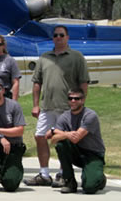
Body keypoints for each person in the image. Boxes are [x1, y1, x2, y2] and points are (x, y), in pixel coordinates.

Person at [25, 25, 90, 186]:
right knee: (40, 136)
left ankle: (63, 173)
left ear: (67, 37)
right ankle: (44, 174)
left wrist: (80, 104)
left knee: (63, 140)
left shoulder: (77, 57)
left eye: (61, 35)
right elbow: (37, 83)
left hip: (67, 108)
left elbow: (83, 83)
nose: (58, 38)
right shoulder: (45, 57)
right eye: (55, 35)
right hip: (47, 106)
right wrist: (35, 105)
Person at [47, 89, 106, 194]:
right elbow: (52, 140)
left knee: (89, 188)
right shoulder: (64, 116)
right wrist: (65, 134)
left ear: (82, 100)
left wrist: (56, 131)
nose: (73, 101)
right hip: (77, 152)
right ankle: (69, 181)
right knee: (61, 145)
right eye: (70, 98)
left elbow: (76, 138)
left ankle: (100, 178)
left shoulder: (90, 115)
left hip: (93, 154)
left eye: (76, 98)